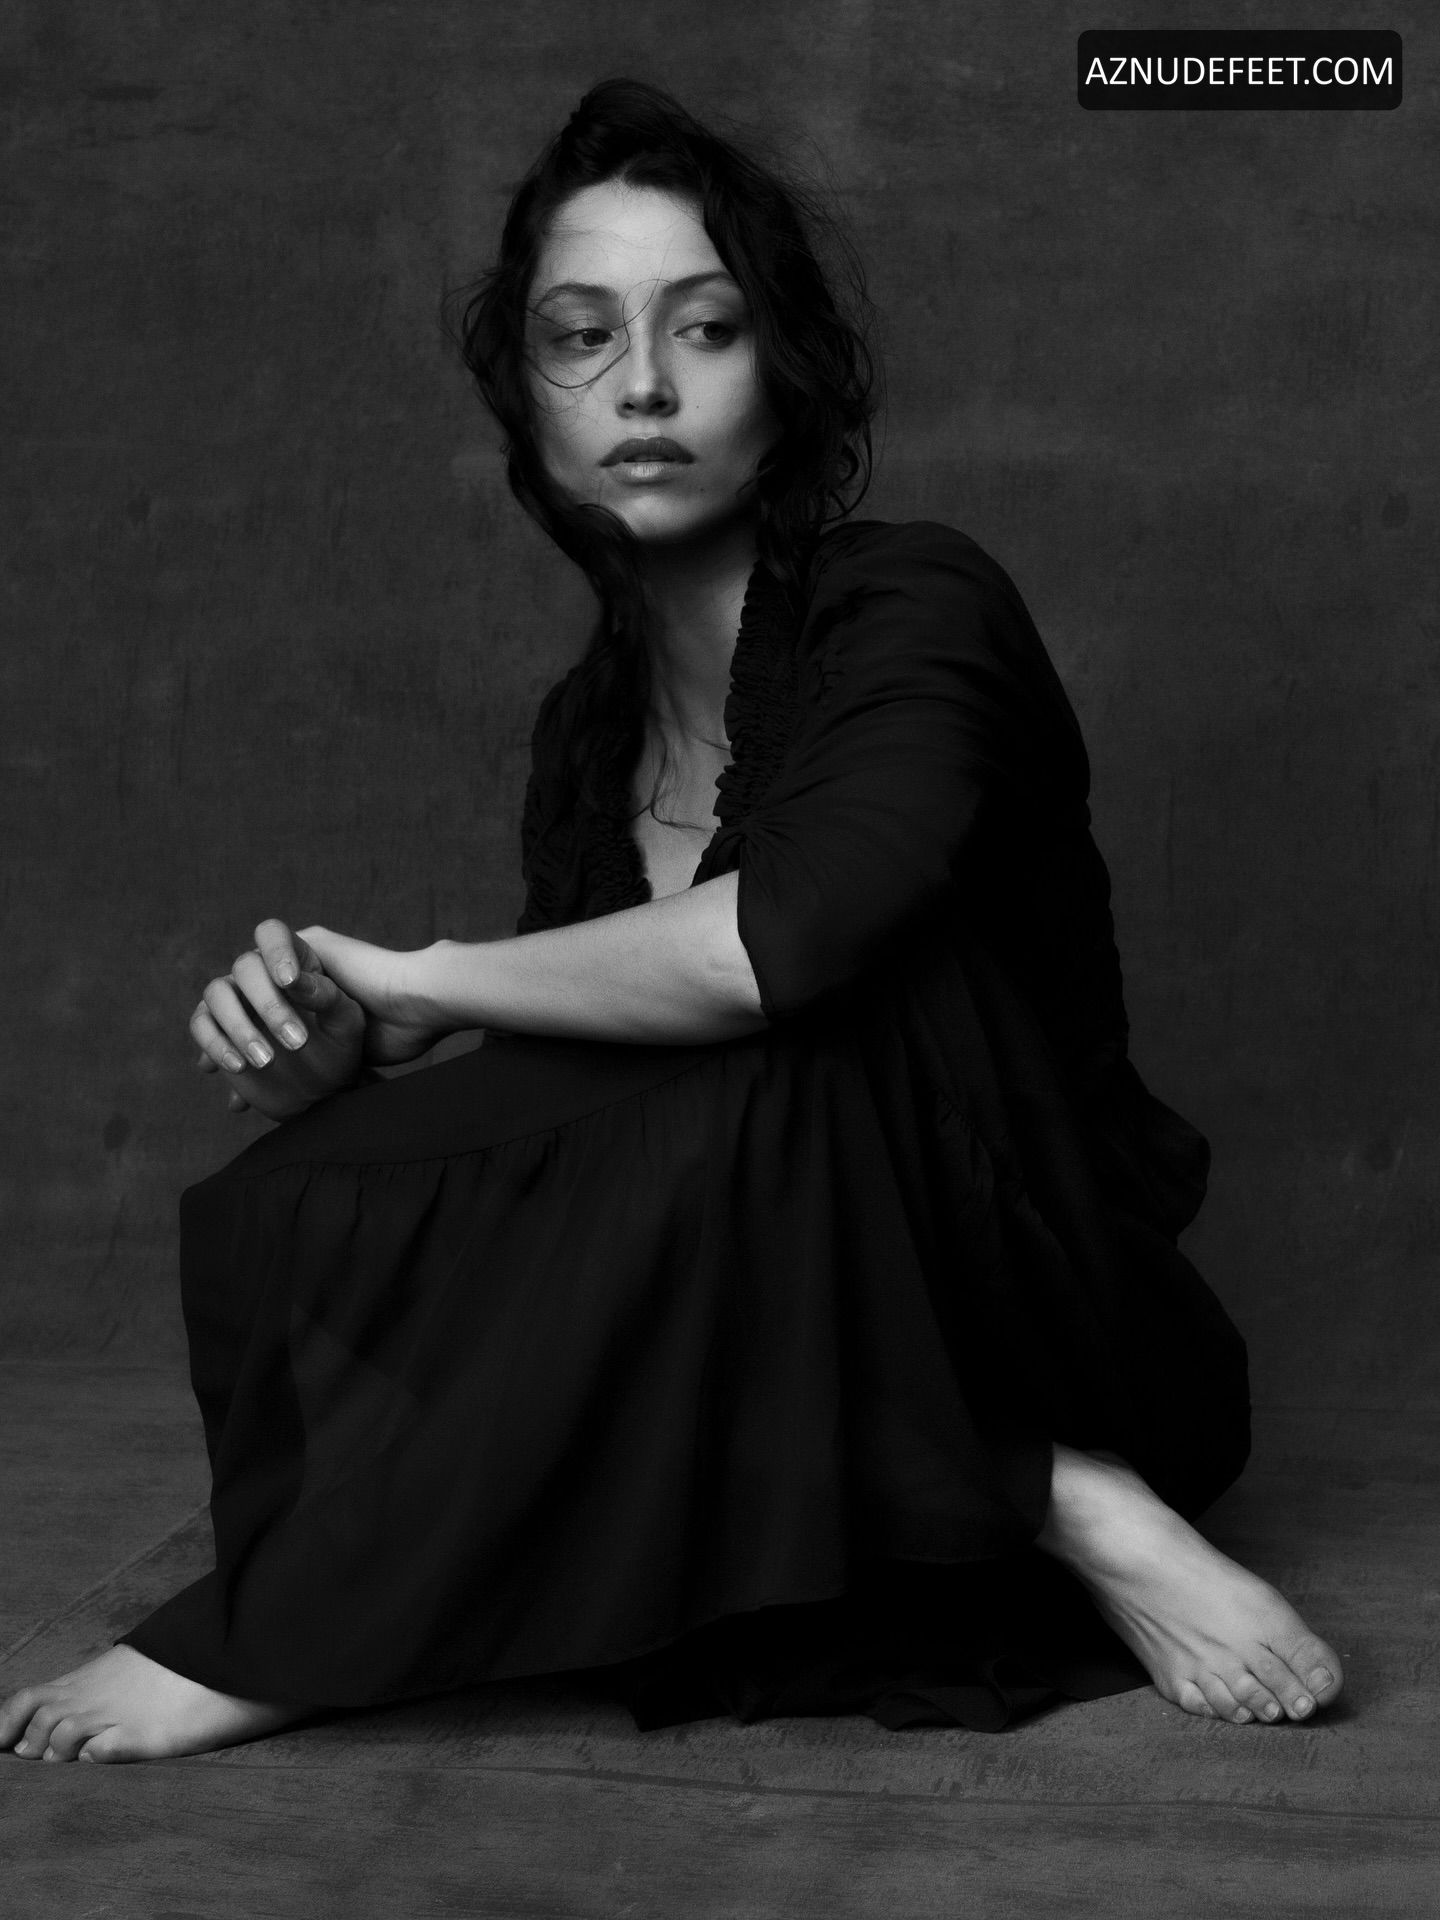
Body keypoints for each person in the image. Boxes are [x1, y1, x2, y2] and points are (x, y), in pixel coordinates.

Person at [1, 79, 1343, 1765]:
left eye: (706, 329)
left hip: (1051, 1314)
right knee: (340, 1186)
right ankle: (1036, 1495)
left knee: (825, 983)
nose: (642, 385)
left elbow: (774, 949)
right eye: (582, 337)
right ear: (528, 397)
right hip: (814, 1364)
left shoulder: (917, 600)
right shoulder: (589, 740)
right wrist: (339, 1063)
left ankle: (1077, 1486)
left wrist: (429, 978)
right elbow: (615, 1161)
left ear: (789, 375)